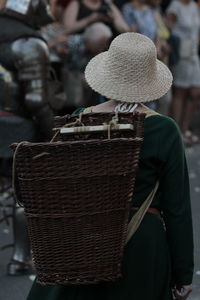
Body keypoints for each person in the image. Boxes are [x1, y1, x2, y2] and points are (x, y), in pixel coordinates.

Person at [27, 33, 194, 300]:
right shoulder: (165, 129)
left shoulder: (80, 119)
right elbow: (177, 209)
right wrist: (183, 272)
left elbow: (61, 190)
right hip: (141, 243)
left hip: (85, 237)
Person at [0, 0, 55, 275]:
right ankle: (21, 259)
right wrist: (51, 132)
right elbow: (35, 100)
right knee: (21, 193)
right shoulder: (30, 44)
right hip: (16, 126)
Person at [166, 0, 200, 146]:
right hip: (181, 54)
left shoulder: (193, 5)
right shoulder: (175, 5)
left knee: (195, 91)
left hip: (193, 53)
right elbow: (167, 28)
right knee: (180, 91)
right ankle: (177, 132)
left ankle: (184, 128)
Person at [63, 0, 129, 35]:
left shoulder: (108, 5)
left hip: (107, 47)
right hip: (83, 45)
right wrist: (90, 19)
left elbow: (124, 29)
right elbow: (67, 29)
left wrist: (114, 19)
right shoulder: (77, 3)